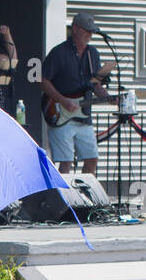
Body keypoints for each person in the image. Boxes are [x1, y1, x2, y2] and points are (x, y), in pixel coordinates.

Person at [41, 11, 117, 177]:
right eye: (86, 30)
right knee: (65, 162)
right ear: (75, 29)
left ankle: (84, 196)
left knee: (92, 159)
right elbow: (43, 80)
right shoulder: (59, 52)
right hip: (60, 113)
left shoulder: (93, 54)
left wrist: (108, 97)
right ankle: (63, 199)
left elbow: (95, 84)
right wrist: (63, 100)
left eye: (92, 31)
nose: (90, 34)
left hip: (84, 115)